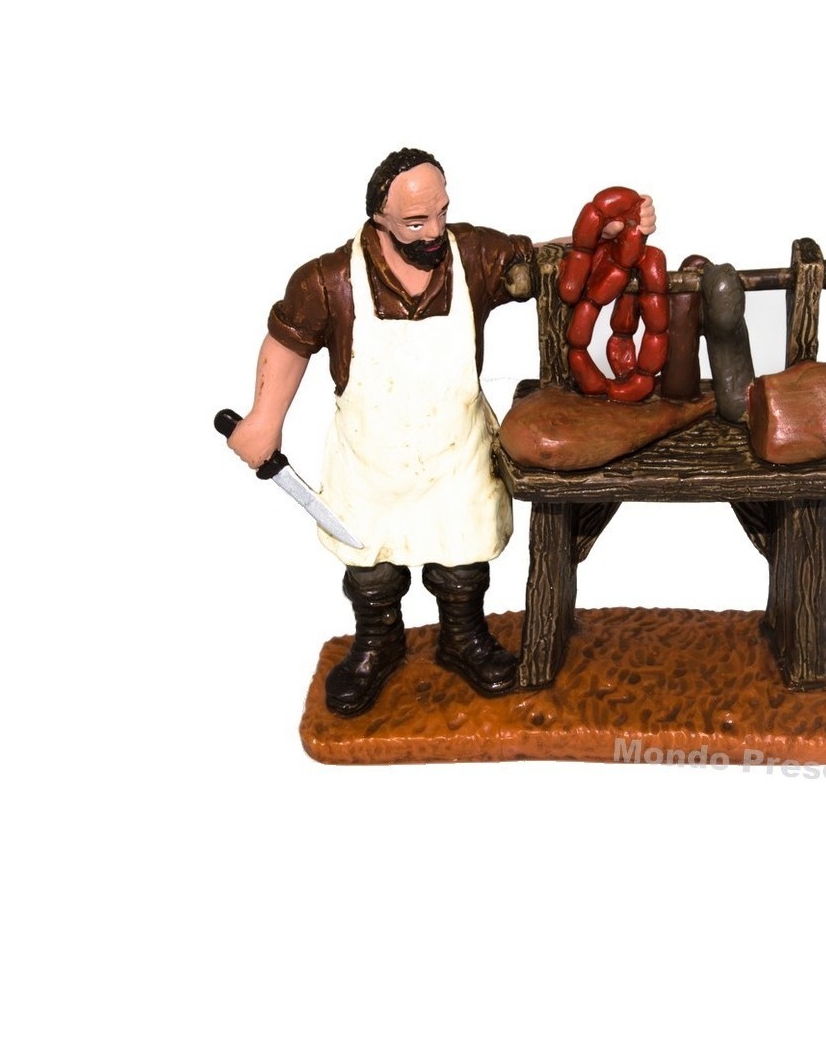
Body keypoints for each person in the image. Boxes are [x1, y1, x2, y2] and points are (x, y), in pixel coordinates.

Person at [228, 148, 654, 717]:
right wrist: (264, 418)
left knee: (462, 559)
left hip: (456, 452)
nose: (433, 231)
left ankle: (463, 638)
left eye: (441, 213)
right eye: (415, 222)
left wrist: (607, 236)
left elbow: (549, 263)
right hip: (371, 458)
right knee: (371, 567)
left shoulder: (472, 255)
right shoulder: (329, 280)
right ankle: (378, 643)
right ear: (379, 218)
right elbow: (289, 342)